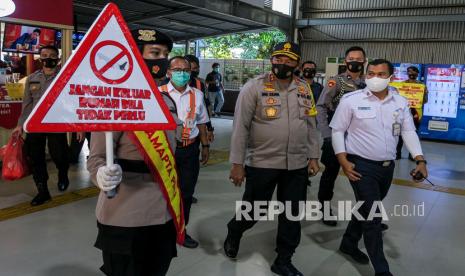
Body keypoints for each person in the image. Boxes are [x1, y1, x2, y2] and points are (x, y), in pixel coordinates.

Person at [87, 28, 183, 276]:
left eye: (165, 54)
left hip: (163, 209)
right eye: (154, 52)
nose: (162, 59)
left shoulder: (166, 102)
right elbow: (96, 157)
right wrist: (100, 175)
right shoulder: (113, 101)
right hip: (125, 212)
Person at [224, 42, 320, 276]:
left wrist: (314, 155)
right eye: (278, 58)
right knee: (255, 210)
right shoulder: (253, 87)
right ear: (272, 60)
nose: (282, 63)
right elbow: (240, 128)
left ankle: (283, 259)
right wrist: (237, 164)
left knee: (292, 215)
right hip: (262, 162)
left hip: (296, 164)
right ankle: (235, 231)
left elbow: (311, 125)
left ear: (297, 63)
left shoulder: (304, 88)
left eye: (288, 59)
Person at [330, 59, 428, 276]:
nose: (375, 77)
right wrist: (343, 161)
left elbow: (408, 132)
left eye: (381, 74)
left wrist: (420, 159)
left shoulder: (400, 102)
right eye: (371, 73)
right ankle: (382, 270)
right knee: (373, 218)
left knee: (366, 208)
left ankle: (348, 243)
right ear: (366, 75)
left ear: (391, 77)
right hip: (360, 166)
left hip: (387, 168)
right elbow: (337, 130)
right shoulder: (350, 100)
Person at [12, 45, 80, 206]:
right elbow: (27, 104)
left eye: (52, 55)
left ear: (57, 58)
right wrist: (20, 124)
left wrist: (78, 126)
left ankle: (63, 174)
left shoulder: (65, 77)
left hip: (56, 124)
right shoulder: (33, 78)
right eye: (44, 55)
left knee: (59, 155)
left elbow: (74, 102)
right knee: (35, 158)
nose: (48, 58)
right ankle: (43, 191)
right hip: (35, 125)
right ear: (40, 58)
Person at [158, 56, 210, 248]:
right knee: (162, 192)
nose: (182, 73)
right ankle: (161, 231)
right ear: (168, 72)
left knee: (186, 194)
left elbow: (202, 122)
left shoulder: (197, 94)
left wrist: (205, 146)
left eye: (186, 70)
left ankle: (181, 230)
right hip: (165, 151)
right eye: (177, 69)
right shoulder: (157, 93)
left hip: (189, 151)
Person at [316, 46, 367, 227]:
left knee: (363, 177)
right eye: (351, 58)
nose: (354, 61)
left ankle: (368, 214)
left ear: (364, 61)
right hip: (336, 137)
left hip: (360, 139)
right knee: (330, 175)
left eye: (358, 58)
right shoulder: (335, 81)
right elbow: (321, 106)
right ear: (345, 61)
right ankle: (324, 207)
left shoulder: (369, 83)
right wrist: (327, 134)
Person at [396, 66, 428, 160]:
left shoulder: (422, 86)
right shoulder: (401, 85)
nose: (411, 74)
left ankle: (413, 155)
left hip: (416, 112)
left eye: (413, 72)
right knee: (399, 134)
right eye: (409, 72)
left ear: (417, 74)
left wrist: (424, 94)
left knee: (413, 133)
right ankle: (397, 154)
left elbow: (425, 101)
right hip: (402, 111)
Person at [185, 54, 215, 143]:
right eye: (192, 69)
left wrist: (209, 127)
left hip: (195, 124)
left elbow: (205, 106)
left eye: (197, 68)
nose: (196, 71)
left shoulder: (200, 83)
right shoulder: (170, 84)